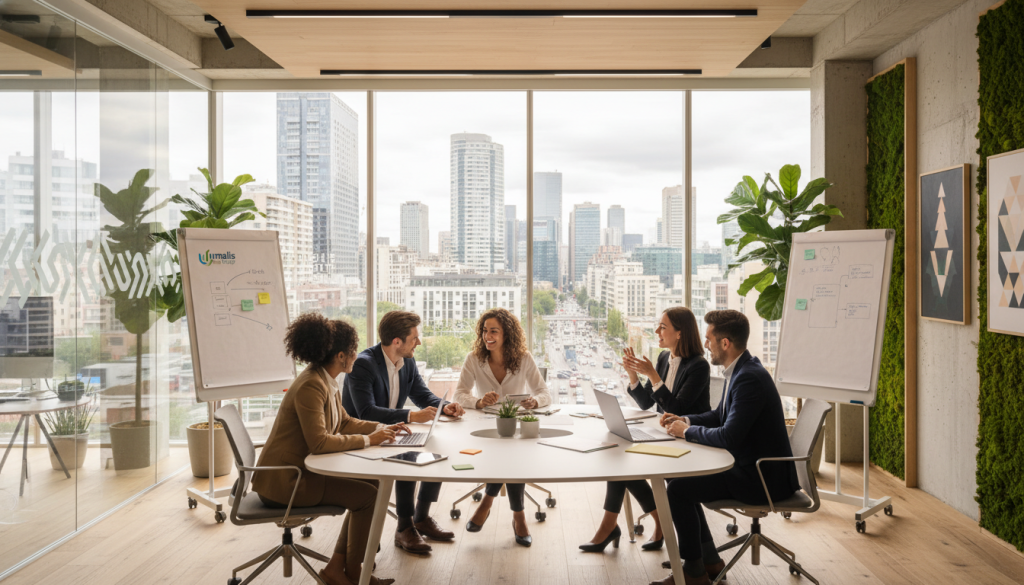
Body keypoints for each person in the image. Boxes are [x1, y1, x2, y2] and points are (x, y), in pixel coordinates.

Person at [251, 313, 404, 585]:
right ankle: (356, 572)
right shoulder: (312, 385)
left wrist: (382, 427)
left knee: (373, 482)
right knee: (367, 498)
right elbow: (319, 442)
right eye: (353, 351)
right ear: (341, 356)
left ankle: (336, 568)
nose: (357, 355)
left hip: (301, 472)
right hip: (287, 481)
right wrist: (371, 440)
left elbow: (343, 422)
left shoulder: (325, 379)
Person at [650, 310, 800, 585]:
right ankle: (708, 561)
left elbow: (729, 436)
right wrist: (685, 420)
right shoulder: (741, 369)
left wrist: (688, 432)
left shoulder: (748, 378)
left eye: (709, 339)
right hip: (750, 467)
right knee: (680, 482)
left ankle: (694, 574)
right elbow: (720, 415)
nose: (705, 345)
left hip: (761, 478)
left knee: (679, 490)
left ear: (725, 343)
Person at [579, 307, 710, 554]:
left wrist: (651, 374)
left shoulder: (698, 366)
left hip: (688, 439)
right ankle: (622, 525)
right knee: (619, 457)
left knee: (624, 464)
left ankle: (630, 525)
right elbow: (647, 403)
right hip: (664, 434)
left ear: (680, 333)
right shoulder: (663, 358)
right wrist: (632, 376)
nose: (657, 331)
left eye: (663, 327)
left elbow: (676, 407)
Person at [342, 311, 466, 555]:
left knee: (437, 448)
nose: (418, 343)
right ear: (396, 341)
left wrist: (445, 407)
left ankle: (421, 518)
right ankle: (405, 527)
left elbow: (421, 395)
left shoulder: (407, 361)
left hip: (390, 432)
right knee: (409, 457)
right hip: (363, 437)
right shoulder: (364, 364)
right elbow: (365, 411)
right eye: (414, 338)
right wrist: (410, 416)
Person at [453, 308, 551, 547]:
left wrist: (534, 401)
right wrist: (478, 401)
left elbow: (544, 392)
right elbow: (459, 393)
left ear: (507, 334)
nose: (488, 336)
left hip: (515, 425)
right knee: (509, 456)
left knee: (511, 453)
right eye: (485, 331)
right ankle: (519, 518)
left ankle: (486, 503)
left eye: (494, 331)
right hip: (485, 427)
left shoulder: (523, 358)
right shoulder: (474, 359)